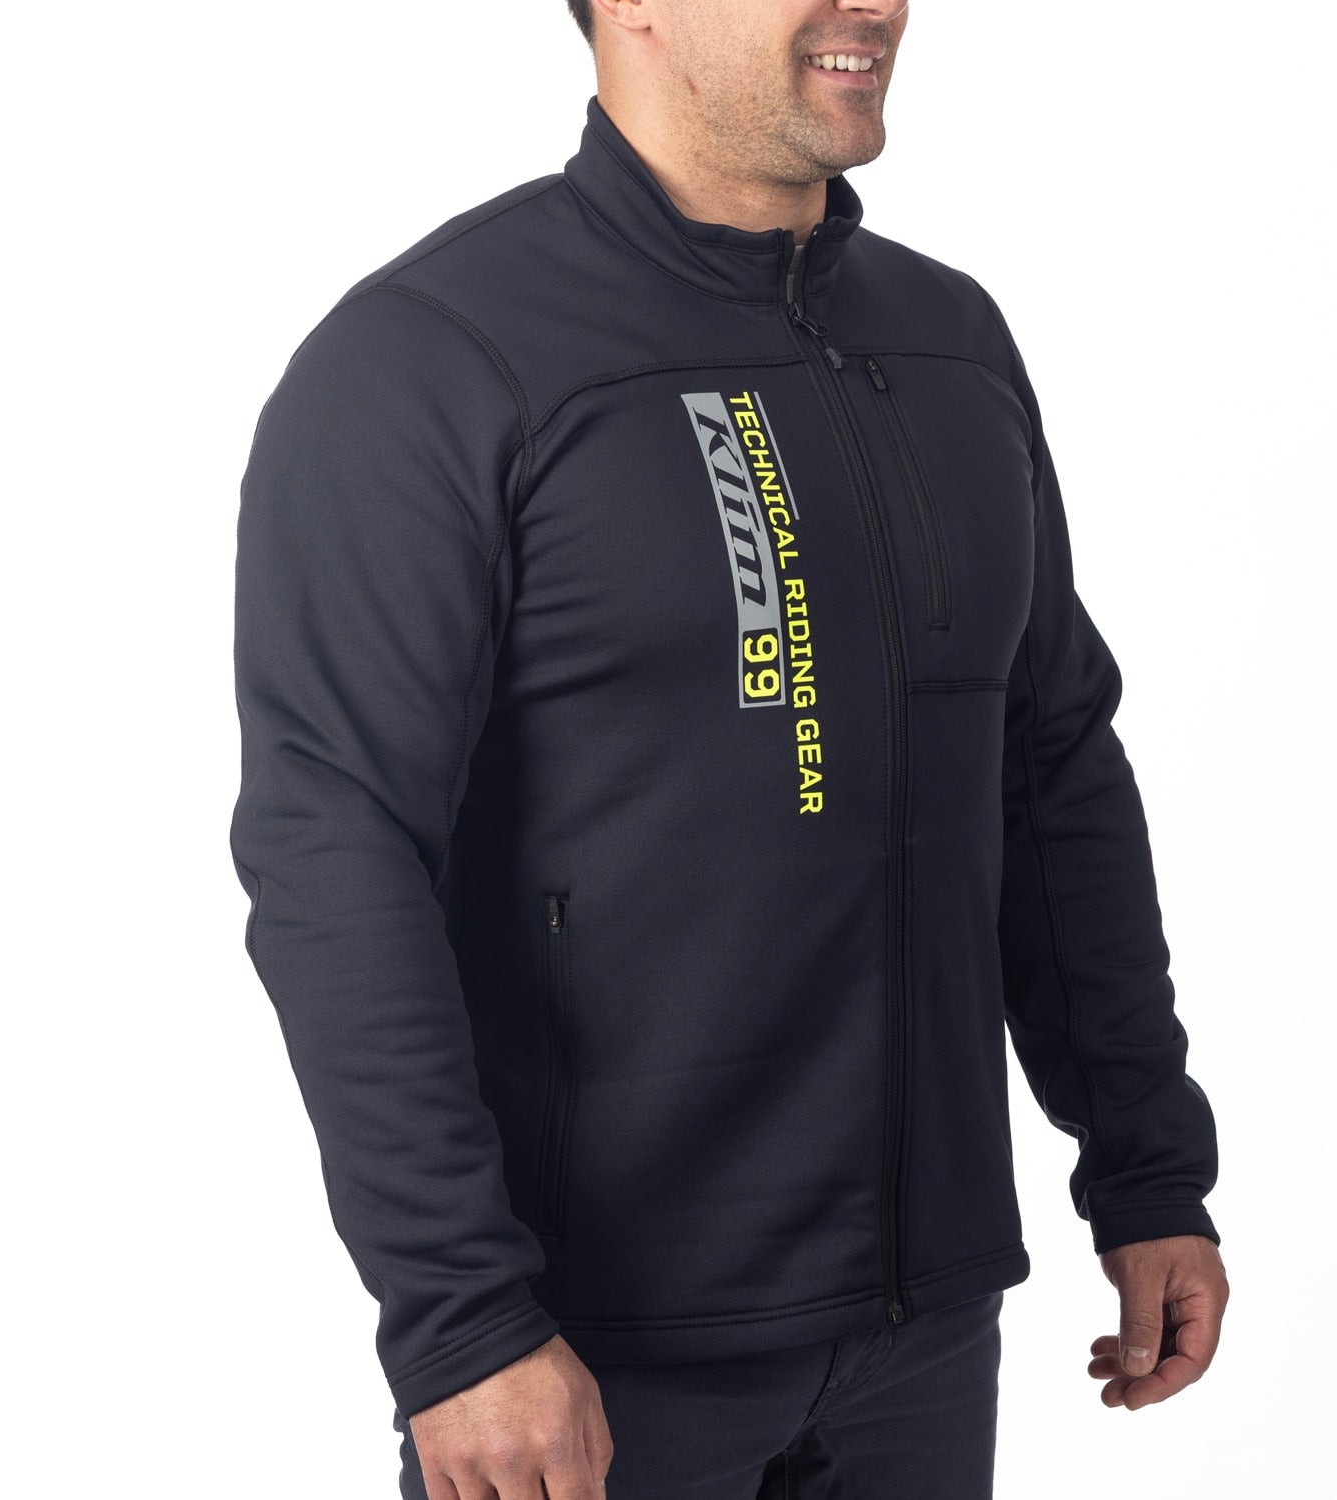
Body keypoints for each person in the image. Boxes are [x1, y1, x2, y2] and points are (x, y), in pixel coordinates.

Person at [228, 0, 1230, 1494]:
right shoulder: (437, 356)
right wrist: (462, 1320)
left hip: (924, 1337)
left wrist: (1146, 1168)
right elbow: (334, 849)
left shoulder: (950, 341)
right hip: (588, 1356)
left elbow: (1051, 762)